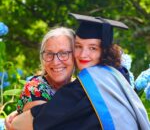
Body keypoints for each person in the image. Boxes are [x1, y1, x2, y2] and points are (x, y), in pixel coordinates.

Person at [9, 13, 150, 130]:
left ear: (104, 51)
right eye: (78, 46)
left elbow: (35, 121)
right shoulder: (118, 75)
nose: (83, 55)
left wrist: (16, 118)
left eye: (93, 48)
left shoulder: (84, 87)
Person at [5, 27, 75, 129]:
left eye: (64, 53)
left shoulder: (78, 86)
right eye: (49, 54)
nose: (55, 62)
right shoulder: (35, 88)